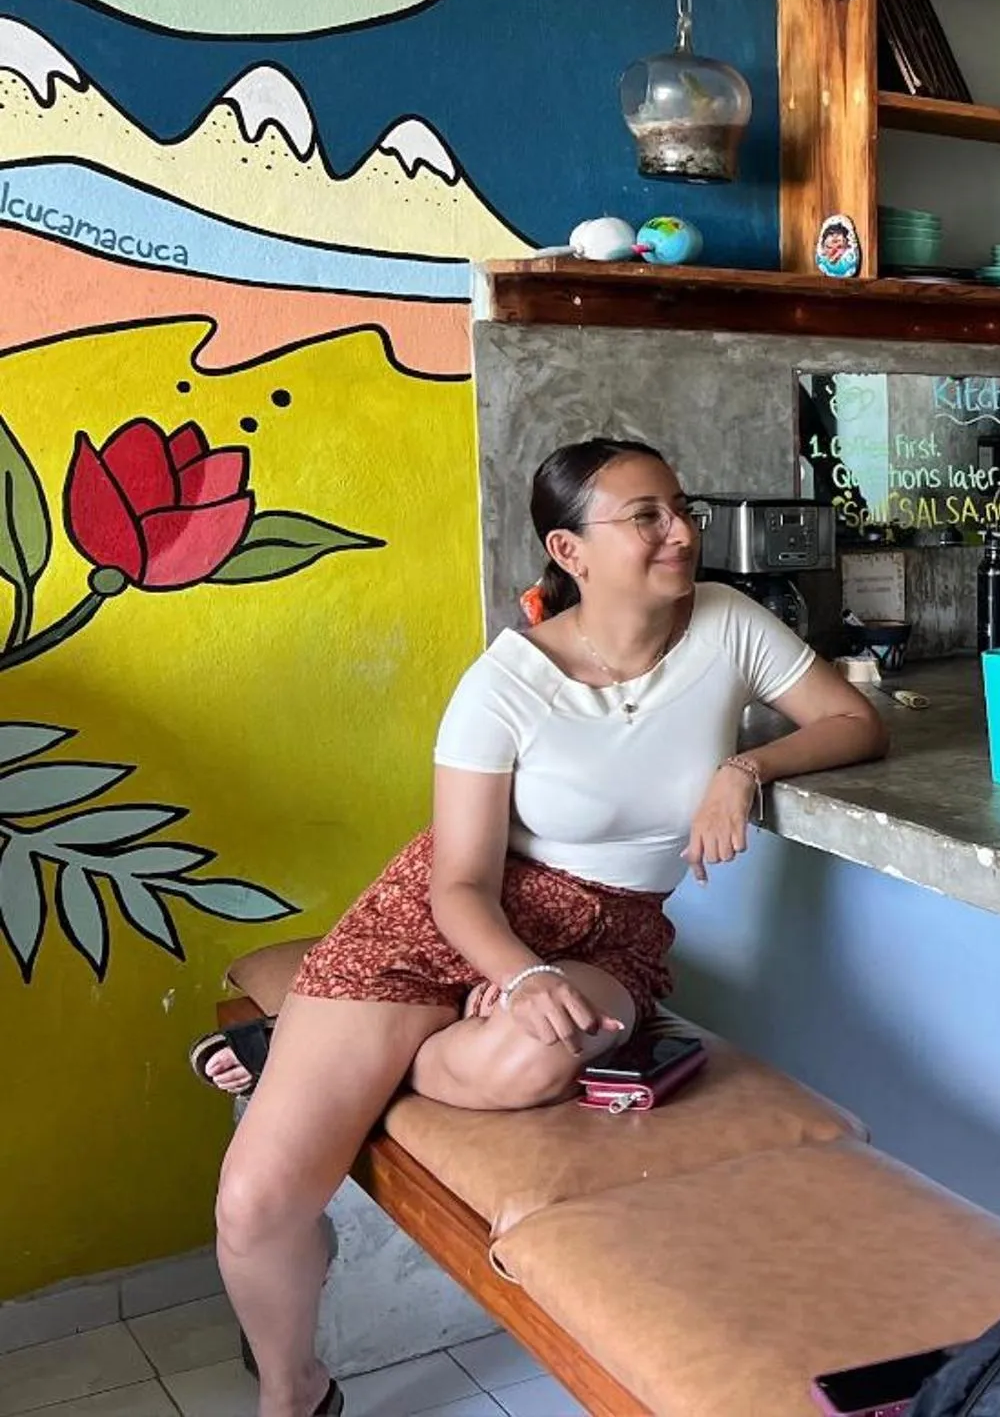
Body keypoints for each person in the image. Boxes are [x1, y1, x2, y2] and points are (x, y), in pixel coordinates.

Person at [194, 439, 887, 1417]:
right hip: (455, 921)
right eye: (644, 516)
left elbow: (853, 722)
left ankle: (308, 1040)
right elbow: (460, 884)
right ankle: (291, 1390)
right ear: (570, 548)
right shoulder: (506, 683)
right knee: (257, 1203)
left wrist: (744, 770)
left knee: (538, 1062)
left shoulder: (730, 623)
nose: (681, 531)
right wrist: (517, 978)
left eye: (678, 507)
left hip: (610, 933)